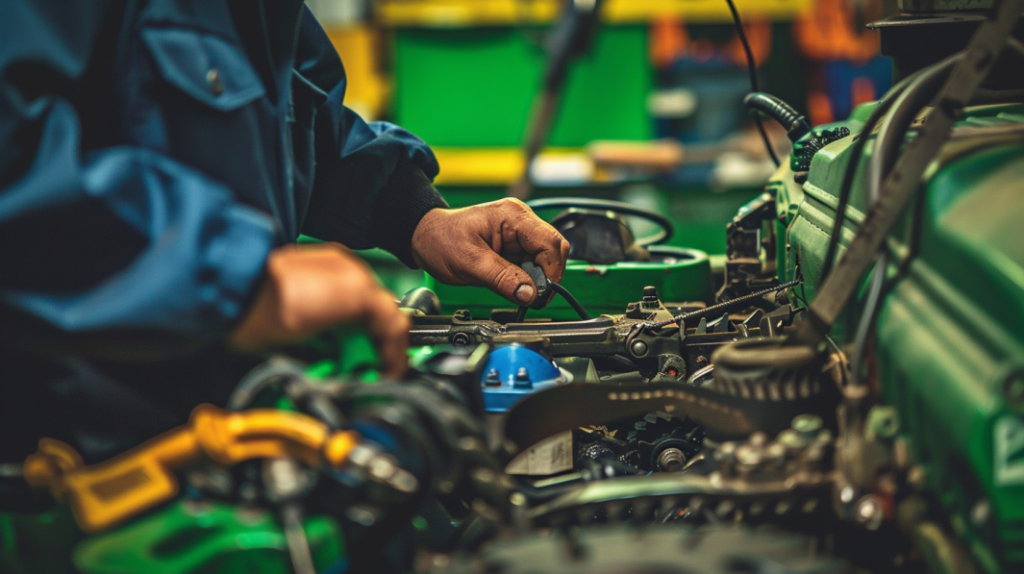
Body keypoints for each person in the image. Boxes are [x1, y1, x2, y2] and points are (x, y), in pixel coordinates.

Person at [0, 0, 569, 466]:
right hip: (64, 452)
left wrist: (418, 217)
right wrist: (235, 277)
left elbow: (300, 114)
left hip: (227, 425)